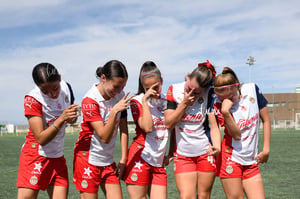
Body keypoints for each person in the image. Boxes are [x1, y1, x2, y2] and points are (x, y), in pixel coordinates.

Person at [16, 63, 78, 199]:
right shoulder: (32, 99)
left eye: (55, 88)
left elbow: (70, 119)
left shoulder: (67, 88)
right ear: (38, 87)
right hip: (36, 156)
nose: (52, 94)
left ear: (60, 78)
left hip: (57, 156)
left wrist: (72, 117)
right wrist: (62, 118)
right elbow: (41, 138)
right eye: (45, 91)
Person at [73, 60, 132, 199]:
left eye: (122, 87)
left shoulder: (119, 95)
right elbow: (104, 137)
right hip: (88, 160)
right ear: (103, 78)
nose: (119, 91)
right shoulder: (90, 100)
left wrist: (123, 159)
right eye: (116, 87)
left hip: (107, 161)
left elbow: (124, 129)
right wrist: (114, 111)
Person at [164, 60, 221, 199]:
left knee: (203, 196)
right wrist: (184, 104)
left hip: (205, 152)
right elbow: (169, 124)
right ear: (188, 77)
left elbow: (214, 126)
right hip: (183, 155)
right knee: (186, 196)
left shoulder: (210, 93)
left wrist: (217, 147)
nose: (191, 92)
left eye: (197, 92)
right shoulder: (174, 90)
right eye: (190, 87)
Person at [213, 67, 271, 199]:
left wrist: (266, 149)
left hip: (251, 160)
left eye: (230, 96)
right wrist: (226, 113)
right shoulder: (219, 105)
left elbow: (266, 120)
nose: (226, 100)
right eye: (222, 98)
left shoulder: (252, 90)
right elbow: (236, 135)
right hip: (230, 158)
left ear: (237, 86)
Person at [123, 61, 171, 199]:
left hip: (159, 160)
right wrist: (145, 100)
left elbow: (172, 127)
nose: (153, 91)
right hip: (141, 157)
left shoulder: (168, 100)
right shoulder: (137, 101)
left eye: (156, 86)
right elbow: (148, 127)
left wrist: (171, 152)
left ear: (161, 81)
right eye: (147, 88)